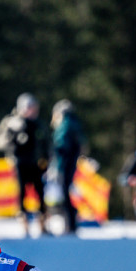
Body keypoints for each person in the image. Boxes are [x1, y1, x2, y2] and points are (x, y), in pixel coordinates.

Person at [0, 93, 49, 236]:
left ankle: (43, 224)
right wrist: (13, 139)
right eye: (30, 107)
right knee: (21, 194)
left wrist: (47, 159)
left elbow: (46, 143)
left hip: (36, 164)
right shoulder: (11, 122)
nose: (33, 110)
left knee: (40, 193)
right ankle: (25, 225)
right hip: (19, 162)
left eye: (34, 107)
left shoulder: (38, 124)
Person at [50, 99, 85, 234]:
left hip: (65, 165)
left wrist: (56, 165)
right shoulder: (75, 123)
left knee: (65, 194)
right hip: (71, 163)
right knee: (67, 193)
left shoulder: (65, 124)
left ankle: (70, 224)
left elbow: (61, 146)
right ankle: (71, 223)